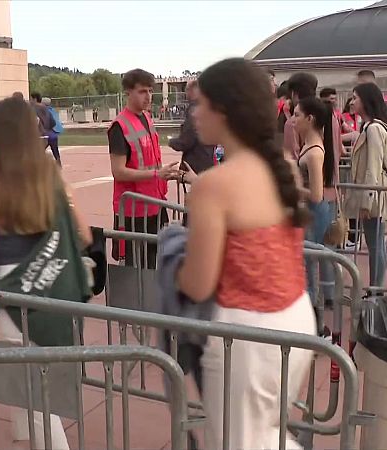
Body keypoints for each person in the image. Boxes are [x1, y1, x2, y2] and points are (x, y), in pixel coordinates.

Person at [177, 58, 315, 449]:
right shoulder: (284, 167)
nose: (194, 113)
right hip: (296, 319)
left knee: (239, 442)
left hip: (246, 337)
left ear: (225, 109)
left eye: (200, 103)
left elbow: (198, 283)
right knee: (266, 434)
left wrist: (174, 264)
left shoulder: (214, 186)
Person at [0, 95, 92, 449]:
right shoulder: (54, 180)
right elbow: (85, 235)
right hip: (59, 284)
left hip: (14, 291)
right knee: (42, 368)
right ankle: (24, 429)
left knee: (32, 379)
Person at [108, 68, 179, 268]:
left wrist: (164, 174)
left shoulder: (146, 118)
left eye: (150, 91)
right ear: (128, 92)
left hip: (155, 203)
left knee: (154, 261)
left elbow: (149, 159)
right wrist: (157, 174)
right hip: (134, 210)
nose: (148, 97)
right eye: (142, 91)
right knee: (135, 266)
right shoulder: (119, 126)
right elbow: (118, 171)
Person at [344, 82, 387, 290]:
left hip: (374, 195)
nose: (352, 101)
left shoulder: (374, 129)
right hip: (376, 193)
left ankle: (376, 289)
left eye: (355, 97)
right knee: (376, 243)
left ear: (365, 101)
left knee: (375, 245)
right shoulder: (371, 127)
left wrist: (367, 201)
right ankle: (377, 287)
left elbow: (373, 166)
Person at [295, 97, 338, 310]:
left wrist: (291, 187)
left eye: (296, 115)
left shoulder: (314, 153)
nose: (293, 120)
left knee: (310, 264)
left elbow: (316, 195)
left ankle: (314, 313)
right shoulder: (310, 147)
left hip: (313, 213)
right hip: (309, 213)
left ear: (309, 119)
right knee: (308, 263)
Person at [169, 80, 215, 175]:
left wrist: (172, 142)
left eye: (187, 90)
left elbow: (187, 140)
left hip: (196, 164)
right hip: (208, 160)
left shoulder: (194, 110)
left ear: (192, 90)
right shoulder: (209, 107)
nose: (186, 93)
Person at [31, 92, 60, 164]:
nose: (30, 101)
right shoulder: (47, 109)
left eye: (31, 99)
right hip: (51, 134)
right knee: (55, 152)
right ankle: (58, 164)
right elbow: (53, 122)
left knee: (37, 152)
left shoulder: (33, 108)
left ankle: (40, 167)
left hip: (41, 135)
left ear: (35, 99)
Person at [42, 97, 63, 165]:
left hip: (47, 135)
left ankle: (40, 164)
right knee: (55, 150)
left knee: (40, 150)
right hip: (54, 134)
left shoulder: (44, 111)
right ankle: (58, 162)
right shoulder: (52, 110)